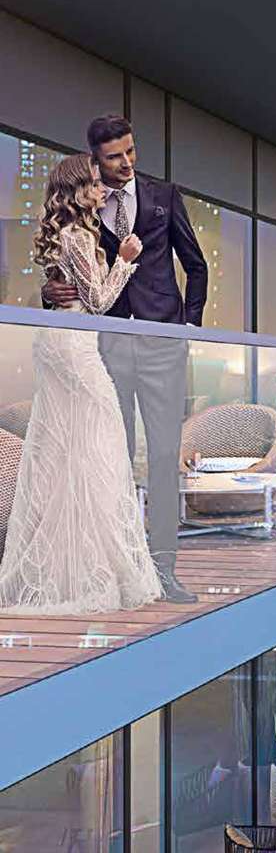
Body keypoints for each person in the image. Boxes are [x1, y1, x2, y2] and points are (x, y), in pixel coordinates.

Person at [40, 114, 206, 604]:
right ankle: (123, 569)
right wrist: (50, 292)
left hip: (162, 346)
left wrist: (187, 327)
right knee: (112, 459)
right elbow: (66, 271)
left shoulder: (165, 195)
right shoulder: (85, 208)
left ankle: (165, 571)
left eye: (131, 152)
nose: (127, 163)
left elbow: (195, 266)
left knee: (161, 459)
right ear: (95, 159)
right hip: (104, 348)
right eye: (114, 157)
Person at [0, 155, 163, 612]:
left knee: (69, 450)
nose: (100, 190)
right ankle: (83, 570)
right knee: (100, 444)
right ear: (77, 191)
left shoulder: (73, 236)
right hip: (72, 348)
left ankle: (73, 565)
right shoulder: (76, 236)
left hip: (60, 344)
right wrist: (125, 261)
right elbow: (98, 301)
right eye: (93, 183)